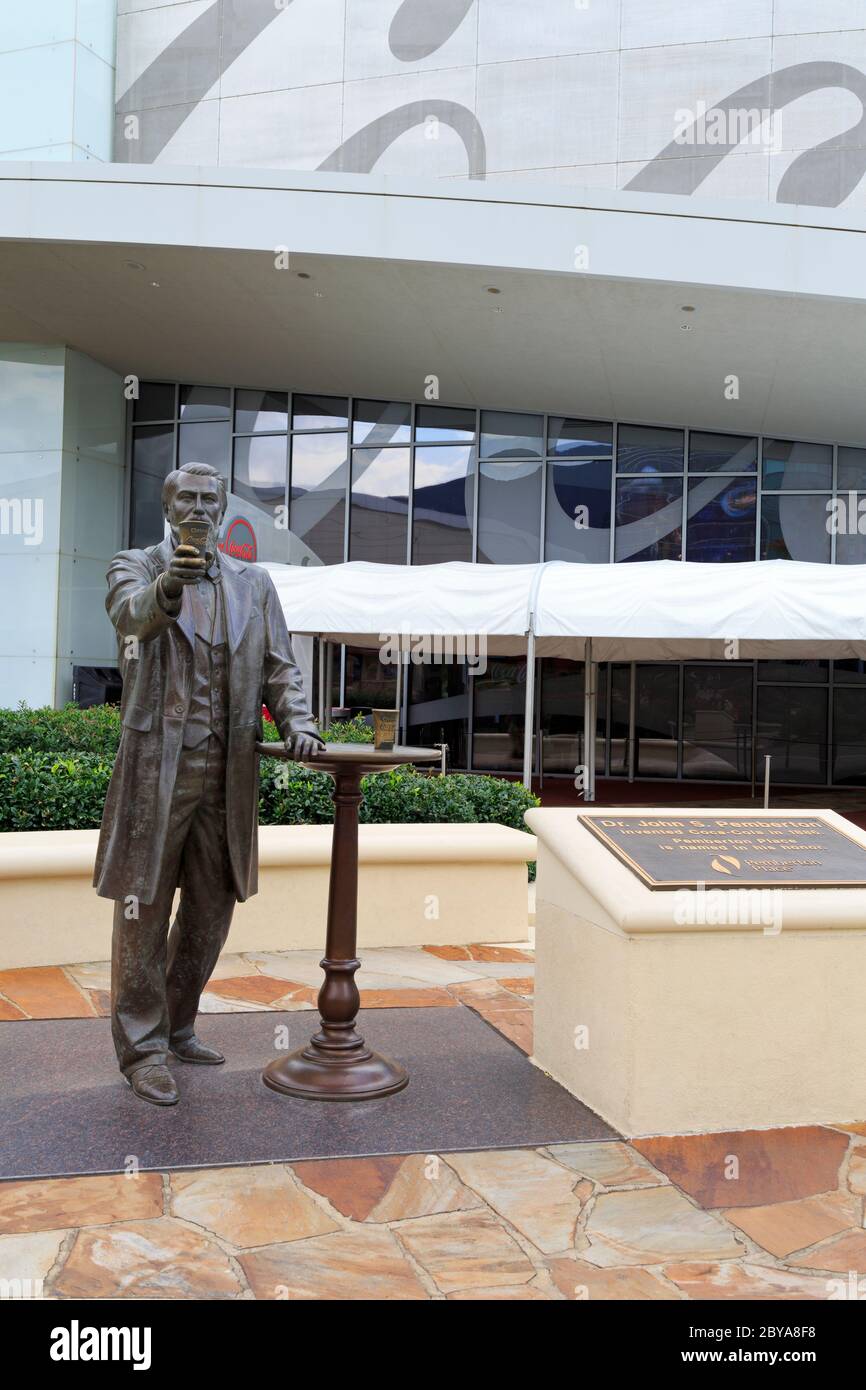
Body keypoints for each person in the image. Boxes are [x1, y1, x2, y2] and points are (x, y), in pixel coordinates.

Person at [93, 460, 323, 1105]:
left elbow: (280, 665)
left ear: (223, 510)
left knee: (211, 906)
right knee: (142, 907)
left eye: (209, 501)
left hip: (229, 768)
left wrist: (298, 722)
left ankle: (178, 1023)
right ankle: (142, 1051)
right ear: (168, 509)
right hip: (157, 766)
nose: (198, 509)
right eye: (187, 499)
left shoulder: (255, 582)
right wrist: (170, 584)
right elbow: (131, 617)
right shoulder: (134, 565)